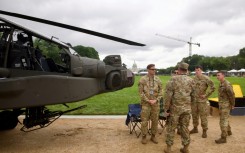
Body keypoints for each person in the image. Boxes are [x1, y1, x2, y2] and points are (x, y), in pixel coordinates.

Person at [163, 62, 195, 153]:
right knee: (185, 128)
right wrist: (189, 106)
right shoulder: (191, 80)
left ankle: (169, 148)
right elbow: (194, 96)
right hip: (186, 109)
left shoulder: (173, 80)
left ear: (179, 69)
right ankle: (185, 148)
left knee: (171, 128)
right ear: (187, 70)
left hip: (175, 110)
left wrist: (166, 109)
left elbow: (168, 96)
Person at [138, 64, 163, 144]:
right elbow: (140, 93)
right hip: (146, 104)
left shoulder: (158, 79)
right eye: (152, 69)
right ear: (148, 70)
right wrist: (148, 100)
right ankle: (144, 136)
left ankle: (153, 136)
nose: (154, 70)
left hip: (155, 104)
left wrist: (156, 100)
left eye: (155, 69)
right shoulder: (142, 79)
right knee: (144, 121)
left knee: (155, 121)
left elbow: (161, 91)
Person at [190, 65, 215, 138]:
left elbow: (213, 87)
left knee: (203, 116)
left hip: (202, 101)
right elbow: (191, 89)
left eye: (198, 70)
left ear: (201, 70)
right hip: (194, 101)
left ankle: (204, 131)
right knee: (194, 115)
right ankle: (195, 128)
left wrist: (206, 95)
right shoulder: (193, 79)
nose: (196, 71)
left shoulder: (206, 78)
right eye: (195, 70)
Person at [215, 71, 235, 144]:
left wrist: (232, 104)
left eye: (218, 75)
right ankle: (229, 131)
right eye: (216, 75)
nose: (217, 76)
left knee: (223, 121)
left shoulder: (227, 84)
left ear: (223, 75)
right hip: (222, 105)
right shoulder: (221, 83)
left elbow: (232, 95)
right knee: (225, 119)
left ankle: (223, 138)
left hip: (226, 106)